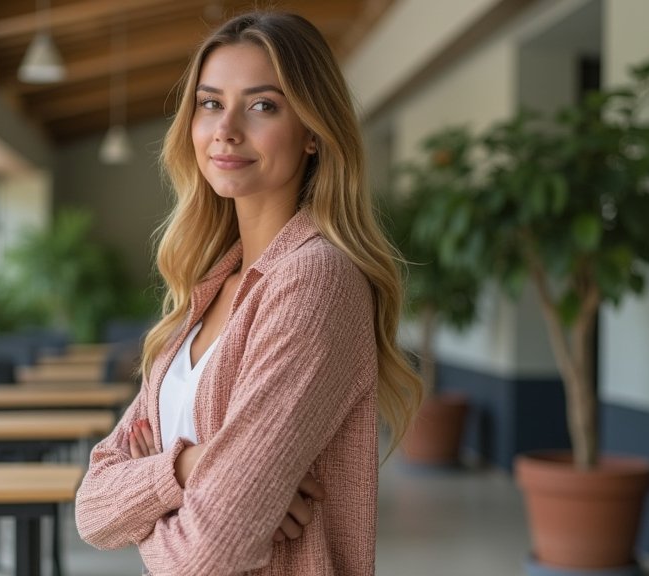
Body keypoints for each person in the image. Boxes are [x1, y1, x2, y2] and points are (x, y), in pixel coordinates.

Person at [75, 10, 421, 575]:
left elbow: (205, 557)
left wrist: (156, 491)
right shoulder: (209, 286)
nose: (226, 129)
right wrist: (190, 469)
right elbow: (91, 509)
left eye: (262, 105)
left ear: (313, 132)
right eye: (210, 103)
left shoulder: (314, 282)